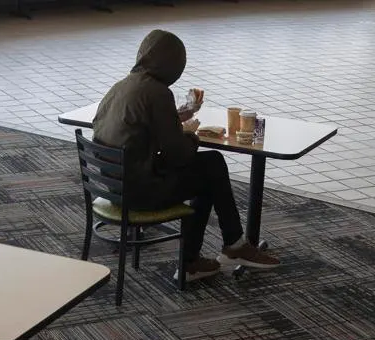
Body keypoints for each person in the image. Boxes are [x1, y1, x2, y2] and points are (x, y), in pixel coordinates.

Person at [92, 29, 281, 282]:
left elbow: (138, 128)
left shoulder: (121, 87)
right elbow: (178, 156)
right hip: (141, 192)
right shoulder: (158, 92)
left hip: (116, 186)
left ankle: (193, 261)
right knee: (211, 165)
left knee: (205, 173)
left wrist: (175, 117)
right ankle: (227, 249)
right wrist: (192, 135)